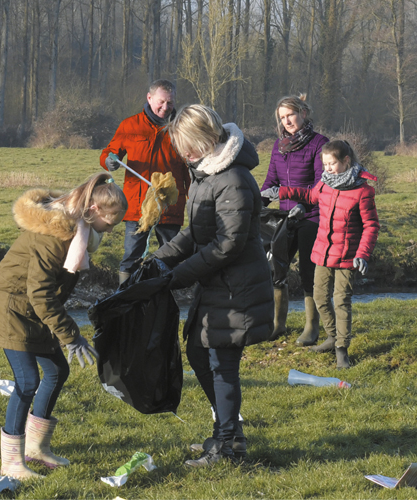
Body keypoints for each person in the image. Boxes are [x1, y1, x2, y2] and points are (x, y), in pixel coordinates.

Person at [0, 172, 127, 480]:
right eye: (111, 224)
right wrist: (71, 336)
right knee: (27, 381)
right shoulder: (54, 236)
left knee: (58, 371)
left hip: (33, 310)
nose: (110, 231)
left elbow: (47, 295)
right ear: (95, 211)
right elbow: (41, 293)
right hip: (11, 309)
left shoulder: (78, 232)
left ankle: (36, 448)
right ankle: (11, 463)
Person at [151, 104, 273, 467]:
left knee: (221, 363)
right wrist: (160, 259)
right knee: (199, 352)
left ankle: (227, 446)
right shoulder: (207, 174)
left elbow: (228, 244)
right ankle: (228, 434)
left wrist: (177, 276)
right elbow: (194, 232)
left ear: (206, 139)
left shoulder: (231, 178)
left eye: (187, 145)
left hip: (237, 288)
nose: (183, 153)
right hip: (218, 285)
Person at [261, 140, 379, 369]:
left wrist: (363, 254)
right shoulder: (325, 185)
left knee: (341, 300)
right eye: (324, 164)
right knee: (319, 298)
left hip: (347, 257)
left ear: (346, 161)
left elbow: (371, 225)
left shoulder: (363, 192)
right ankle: (332, 336)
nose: (327, 169)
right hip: (322, 254)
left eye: (332, 163)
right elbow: (309, 196)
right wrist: (281, 192)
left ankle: (342, 349)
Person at [100, 79, 190, 284]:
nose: (165, 108)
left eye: (170, 103)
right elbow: (110, 153)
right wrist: (109, 161)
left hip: (170, 206)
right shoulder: (130, 126)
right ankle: (124, 301)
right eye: (161, 102)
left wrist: (194, 197)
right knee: (131, 258)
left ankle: (165, 301)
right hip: (137, 207)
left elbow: (189, 169)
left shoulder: (182, 129)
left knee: (172, 258)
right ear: (149, 98)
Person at [260, 94, 329, 346]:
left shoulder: (320, 143)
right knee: (277, 268)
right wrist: (259, 200)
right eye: (282, 117)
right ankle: (278, 323)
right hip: (284, 218)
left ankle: (312, 326)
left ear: (303, 113)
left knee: (309, 272)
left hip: (312, 216)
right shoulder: (279, 147)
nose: (286, 121)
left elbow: (322, 184)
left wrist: (303, 203)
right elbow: (271, 182)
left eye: (290, 115)